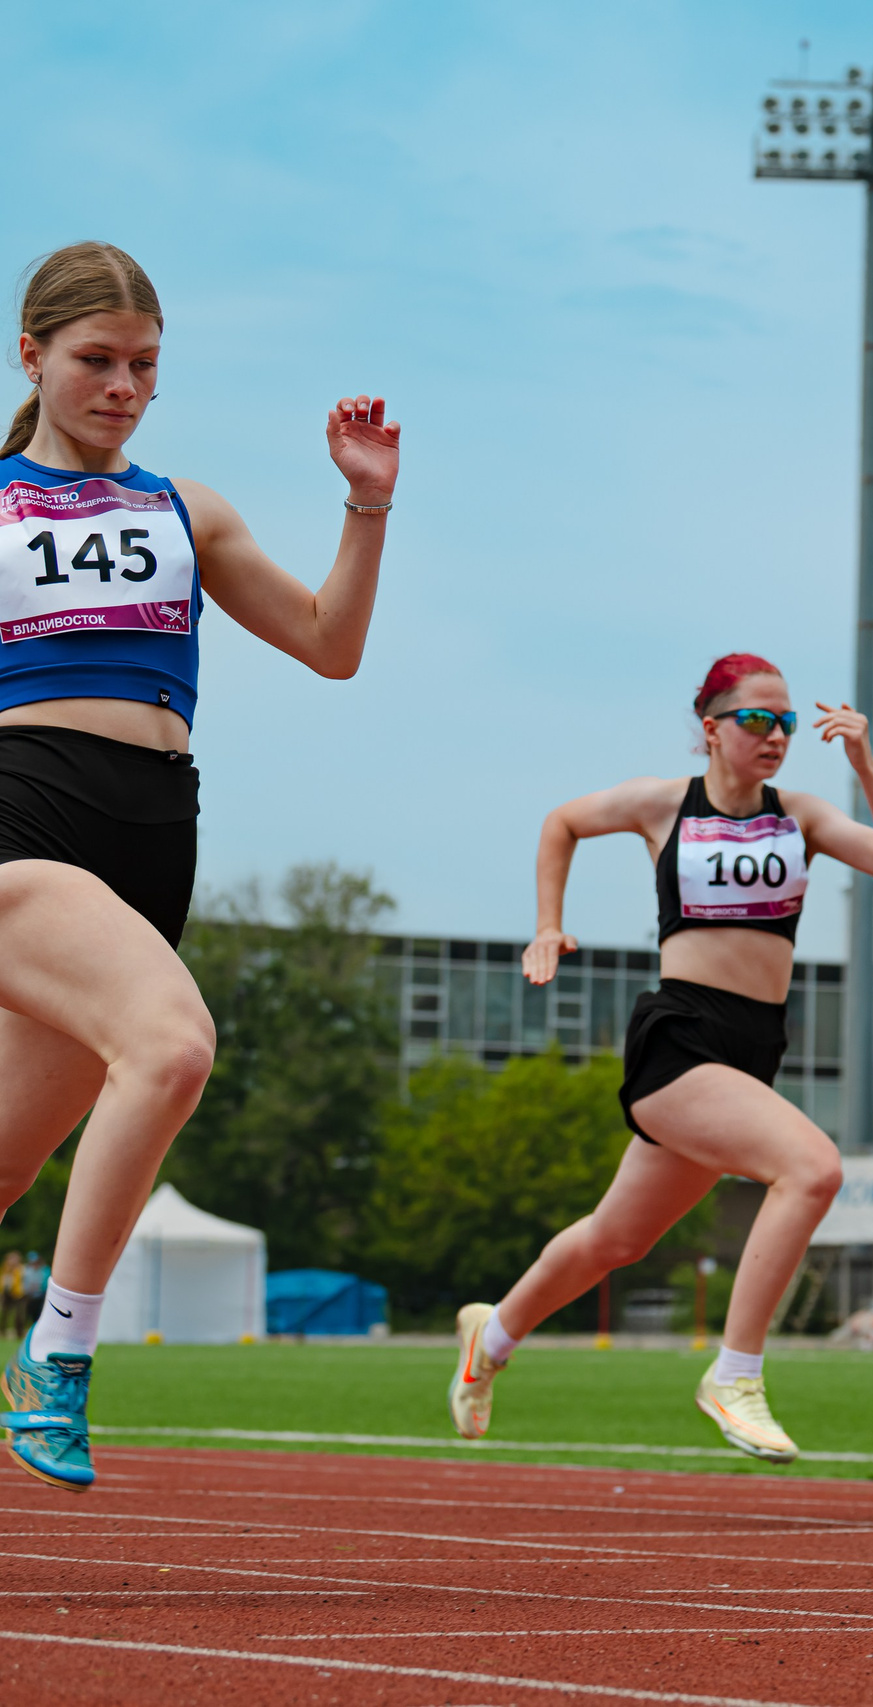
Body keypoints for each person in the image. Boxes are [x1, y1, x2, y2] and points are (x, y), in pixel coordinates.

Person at [0, 243, 398, 1493]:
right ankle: (58, 1359)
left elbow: (331, 647)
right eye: (97, 362)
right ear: (33, 357)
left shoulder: (189, 510)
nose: (123, 387)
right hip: (21, 817)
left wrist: (366, 504)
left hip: (151, 841)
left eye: (144, 368)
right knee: (172, 1047)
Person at [447, 654, 873, 1464]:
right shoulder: (664, 805)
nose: (775, 735)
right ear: (711, 727)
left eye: (786, 722)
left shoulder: (799, 815)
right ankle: (735, 1374)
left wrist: (864, 765)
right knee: (813, 1168)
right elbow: (560, 821)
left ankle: (491, 1336)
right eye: (755, 719)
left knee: (613, 1238)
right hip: (680, 1040)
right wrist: (547, 922)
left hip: (751, 1049)